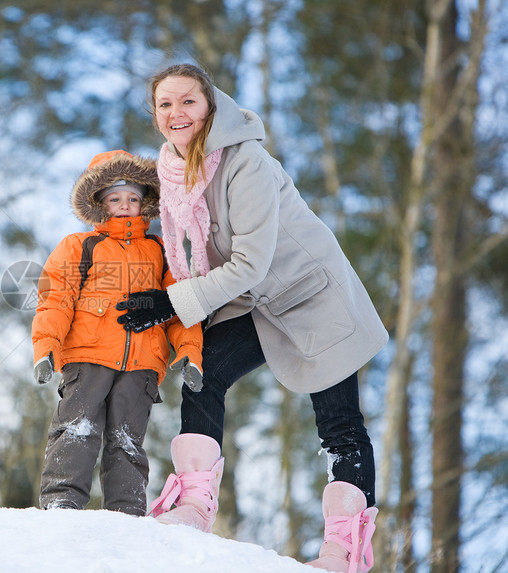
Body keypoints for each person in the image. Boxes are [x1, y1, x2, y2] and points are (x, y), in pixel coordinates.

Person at [116, 64, 387, 572]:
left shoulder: (245, 162)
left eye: (188, 102)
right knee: (203, 373)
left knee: (339, 423)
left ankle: (343, 551)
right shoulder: (172, 172)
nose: (177, 114)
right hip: (252, 301)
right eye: (165, 105)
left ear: (210, 106)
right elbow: (189, 256)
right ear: (155, 116)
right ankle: (195, 506)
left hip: (310, 295)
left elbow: (250, 262)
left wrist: (172, 303)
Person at [32, 149, 204, 517]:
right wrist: (46, 346)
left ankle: (126, 512)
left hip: (143, 363)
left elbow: (180, 307)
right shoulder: (80, 246)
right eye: (115, 198)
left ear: (145, 203)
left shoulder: (161, 251)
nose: (124, 205)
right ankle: (62, 502)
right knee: (77, 428)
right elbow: (55, 299)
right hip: (86, 356)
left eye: (132, 198)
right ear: (98, 203)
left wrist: (190, 353)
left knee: (126, 439)